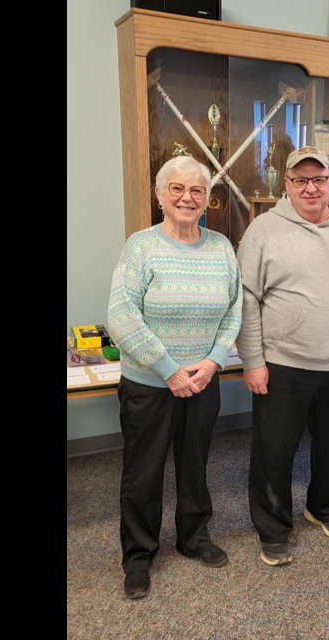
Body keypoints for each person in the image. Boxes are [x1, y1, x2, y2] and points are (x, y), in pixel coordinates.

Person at [106, 155, 242, 599]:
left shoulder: (222, 247)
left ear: (208, 199)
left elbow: (235, 308)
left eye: (197, 190)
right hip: (149, 384)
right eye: (177, 189)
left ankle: (194, 537)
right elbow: (121, 316)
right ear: (160, 195)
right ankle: (139, 555)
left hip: (203, 382)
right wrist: (168, 370)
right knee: (143, 473)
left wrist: (214, 361)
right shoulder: (140, 246)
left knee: (196, 464)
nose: (188, 197)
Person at [236, 146, 329, 566]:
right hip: (283, 364)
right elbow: (246, 298)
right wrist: (253, 360)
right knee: (275, 453)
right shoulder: (264, 230)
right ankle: (273, 529)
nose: (310, 188)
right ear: (286, 184)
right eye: (300, 180)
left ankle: (322, 507)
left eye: (319, 179)